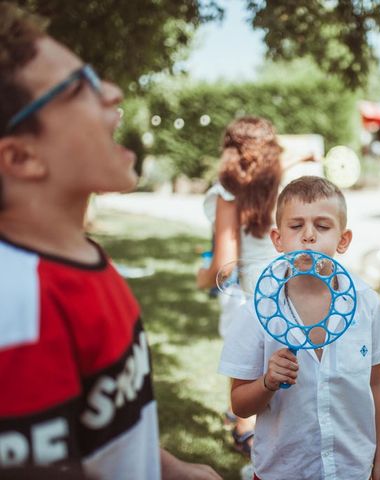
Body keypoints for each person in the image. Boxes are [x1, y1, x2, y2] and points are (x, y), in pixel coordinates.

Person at [0, 4, 221, 479]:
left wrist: (169, 468)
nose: (115, 92)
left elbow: (95, 433)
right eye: (81, 87)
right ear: (21, 157)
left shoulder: (81, 256)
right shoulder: (17, 312)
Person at [218, 176, 380, 480]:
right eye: (296, 226)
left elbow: (377, 383)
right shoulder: (257, 311)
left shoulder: (366, 302)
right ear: (277, 239)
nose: (309, 236)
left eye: (323, 226)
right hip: (282, 471)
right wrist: (267, 382)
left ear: (343, 240)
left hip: (352, 470)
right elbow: (239, 405)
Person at [196, 116, 282, 457]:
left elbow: (224, 260)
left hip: (249, 291)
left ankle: (245, 428)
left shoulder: (228, 191)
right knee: (278, 360)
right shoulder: (281, 182)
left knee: (248, 365)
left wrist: (201, 277)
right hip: (284, 281)